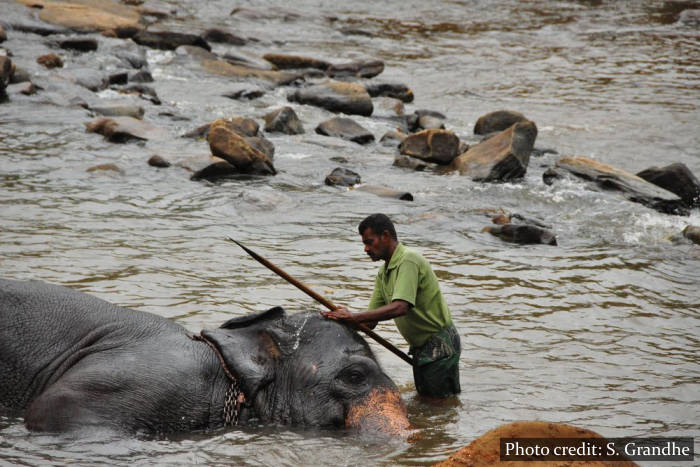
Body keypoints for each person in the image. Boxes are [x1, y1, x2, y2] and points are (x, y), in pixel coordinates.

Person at [321, 213, 461, 398]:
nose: (365, 248)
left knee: (439, 406)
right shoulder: (383, 273)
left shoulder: (409, 260)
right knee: (428, 404)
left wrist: (353, 316)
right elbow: (369, 323)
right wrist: (337, 322)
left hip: (439, 345)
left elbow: (400, 307)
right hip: (421, 349)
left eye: (369, 242)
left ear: (385, 236)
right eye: (364, 243)